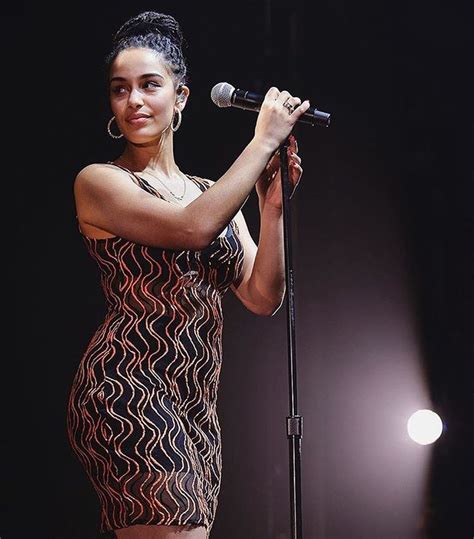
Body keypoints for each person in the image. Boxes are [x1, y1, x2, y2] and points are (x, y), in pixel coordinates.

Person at [66, 10, 310, 539]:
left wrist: (272, 207)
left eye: (150, 85)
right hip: (127, 389)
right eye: (120, 89)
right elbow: (193, 230)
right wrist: (261, 142)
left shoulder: (208, 192)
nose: (134, 101)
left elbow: (263, 295)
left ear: (180, 98)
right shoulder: (100, 183)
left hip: (195, 402)